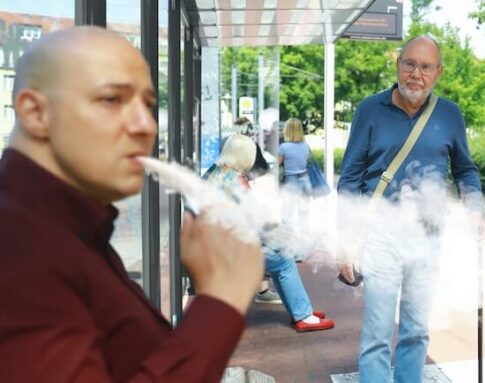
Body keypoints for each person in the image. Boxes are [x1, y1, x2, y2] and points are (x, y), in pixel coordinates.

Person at [0, 27, 264, 382]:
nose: (146, 125)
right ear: (35, 113)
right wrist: (221, 299)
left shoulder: (62, 231)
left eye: (148, 105)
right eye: (112, 99)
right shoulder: (18, 247)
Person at [336, 35, 485, 383]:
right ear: (398, 65)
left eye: (425, 67)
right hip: (380, 237)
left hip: (427, 237)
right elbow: (350, 180)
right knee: (376, 335)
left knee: (416, 331)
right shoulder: (370, 110)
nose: (416, 74)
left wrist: (475, 210)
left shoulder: (450, 114)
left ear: (438, 72)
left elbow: (466, 169)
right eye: (410, 64)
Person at [206, 134, 334, 332]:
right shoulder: (237, 181)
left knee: (278, 257)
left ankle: (300, 311)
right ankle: (303, 316)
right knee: (283, 260)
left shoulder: (215, 172)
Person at [278, 118, 313, 260]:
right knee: (303, 218)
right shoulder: (305, 145)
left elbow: (277, 164)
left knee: (287, 217)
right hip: (305, 182)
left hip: (291, 183)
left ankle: (289, 249)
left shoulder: (284, 147)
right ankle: (303, 252)